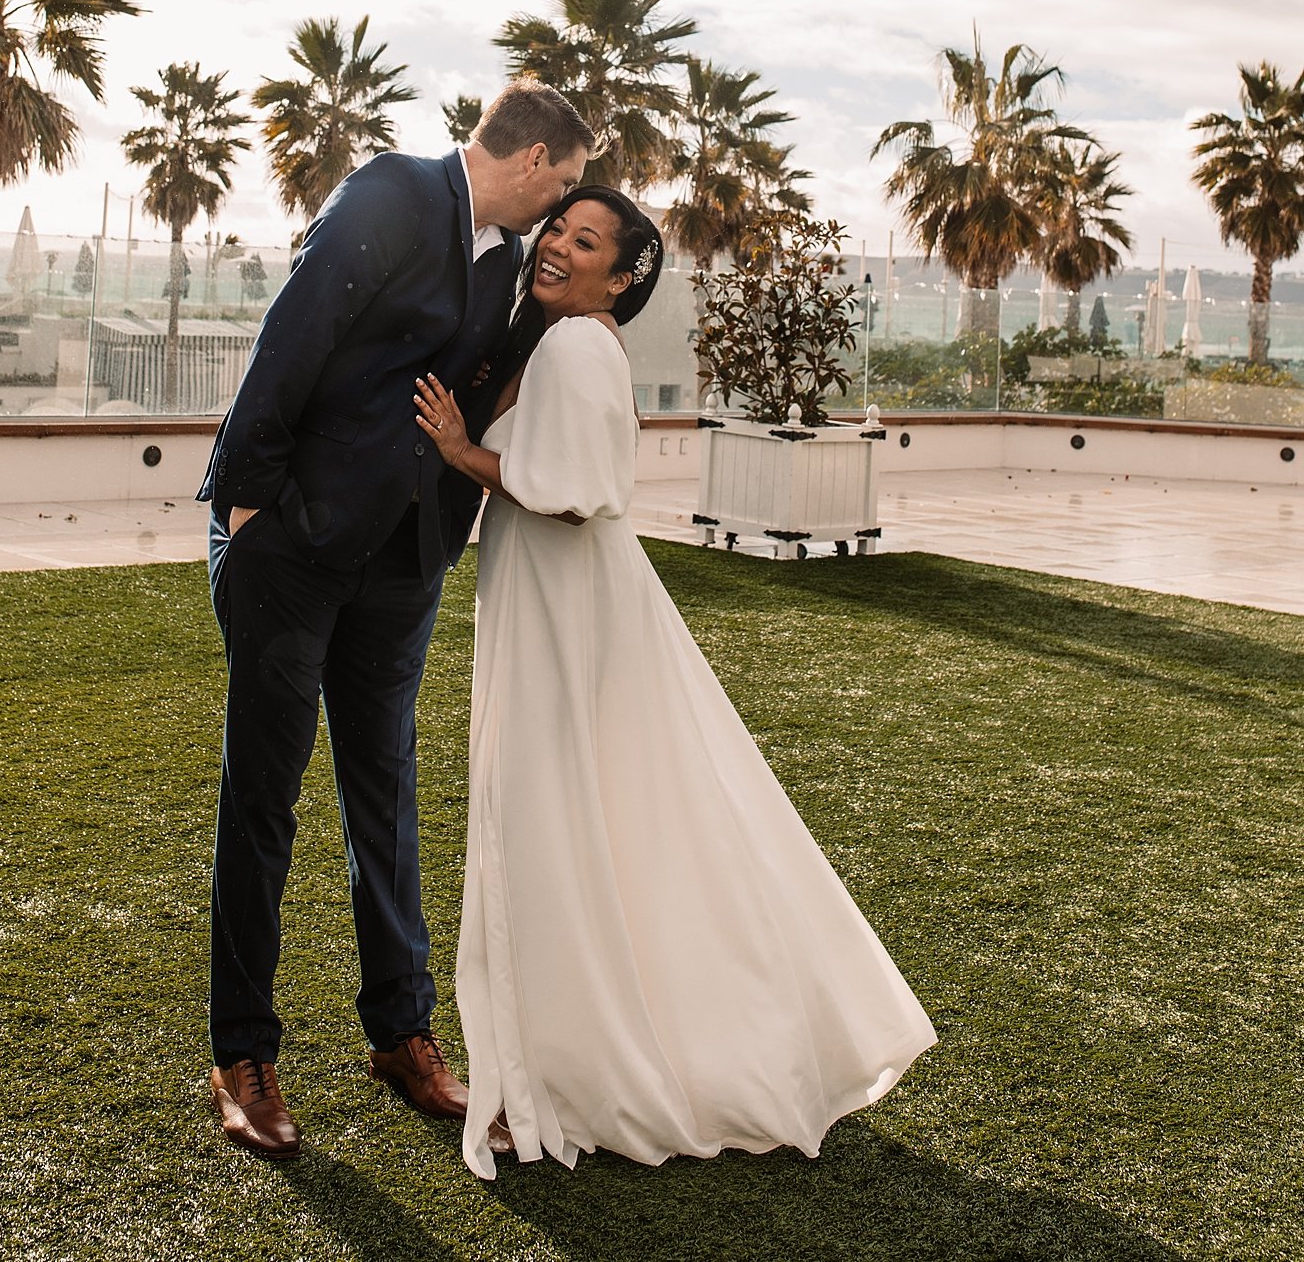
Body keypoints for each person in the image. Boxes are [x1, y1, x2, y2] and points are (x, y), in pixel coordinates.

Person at [413, 190, 937, 1179]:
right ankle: (589, 1052)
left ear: (623, 278)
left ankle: (564, 1077)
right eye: (558, 232)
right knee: (600, 818)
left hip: (564, 605)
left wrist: (457, 452)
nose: (558, 250)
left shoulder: (572, 347)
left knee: (550, 824)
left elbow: (569, 497)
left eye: (586, 243)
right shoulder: (583, 341)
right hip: (574, 602)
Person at [200, 82, 594, 1158]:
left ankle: (400, 1034)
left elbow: (488, 380)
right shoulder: (389, 194)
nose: (559, 207)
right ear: (532, 157)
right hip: (294, 545)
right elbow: (293, 337)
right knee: (264, 798)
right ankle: (243, 1054)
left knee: (386, 796)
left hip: (407, 561)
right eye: (559, 185)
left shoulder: (509, 264)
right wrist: (245, 503)